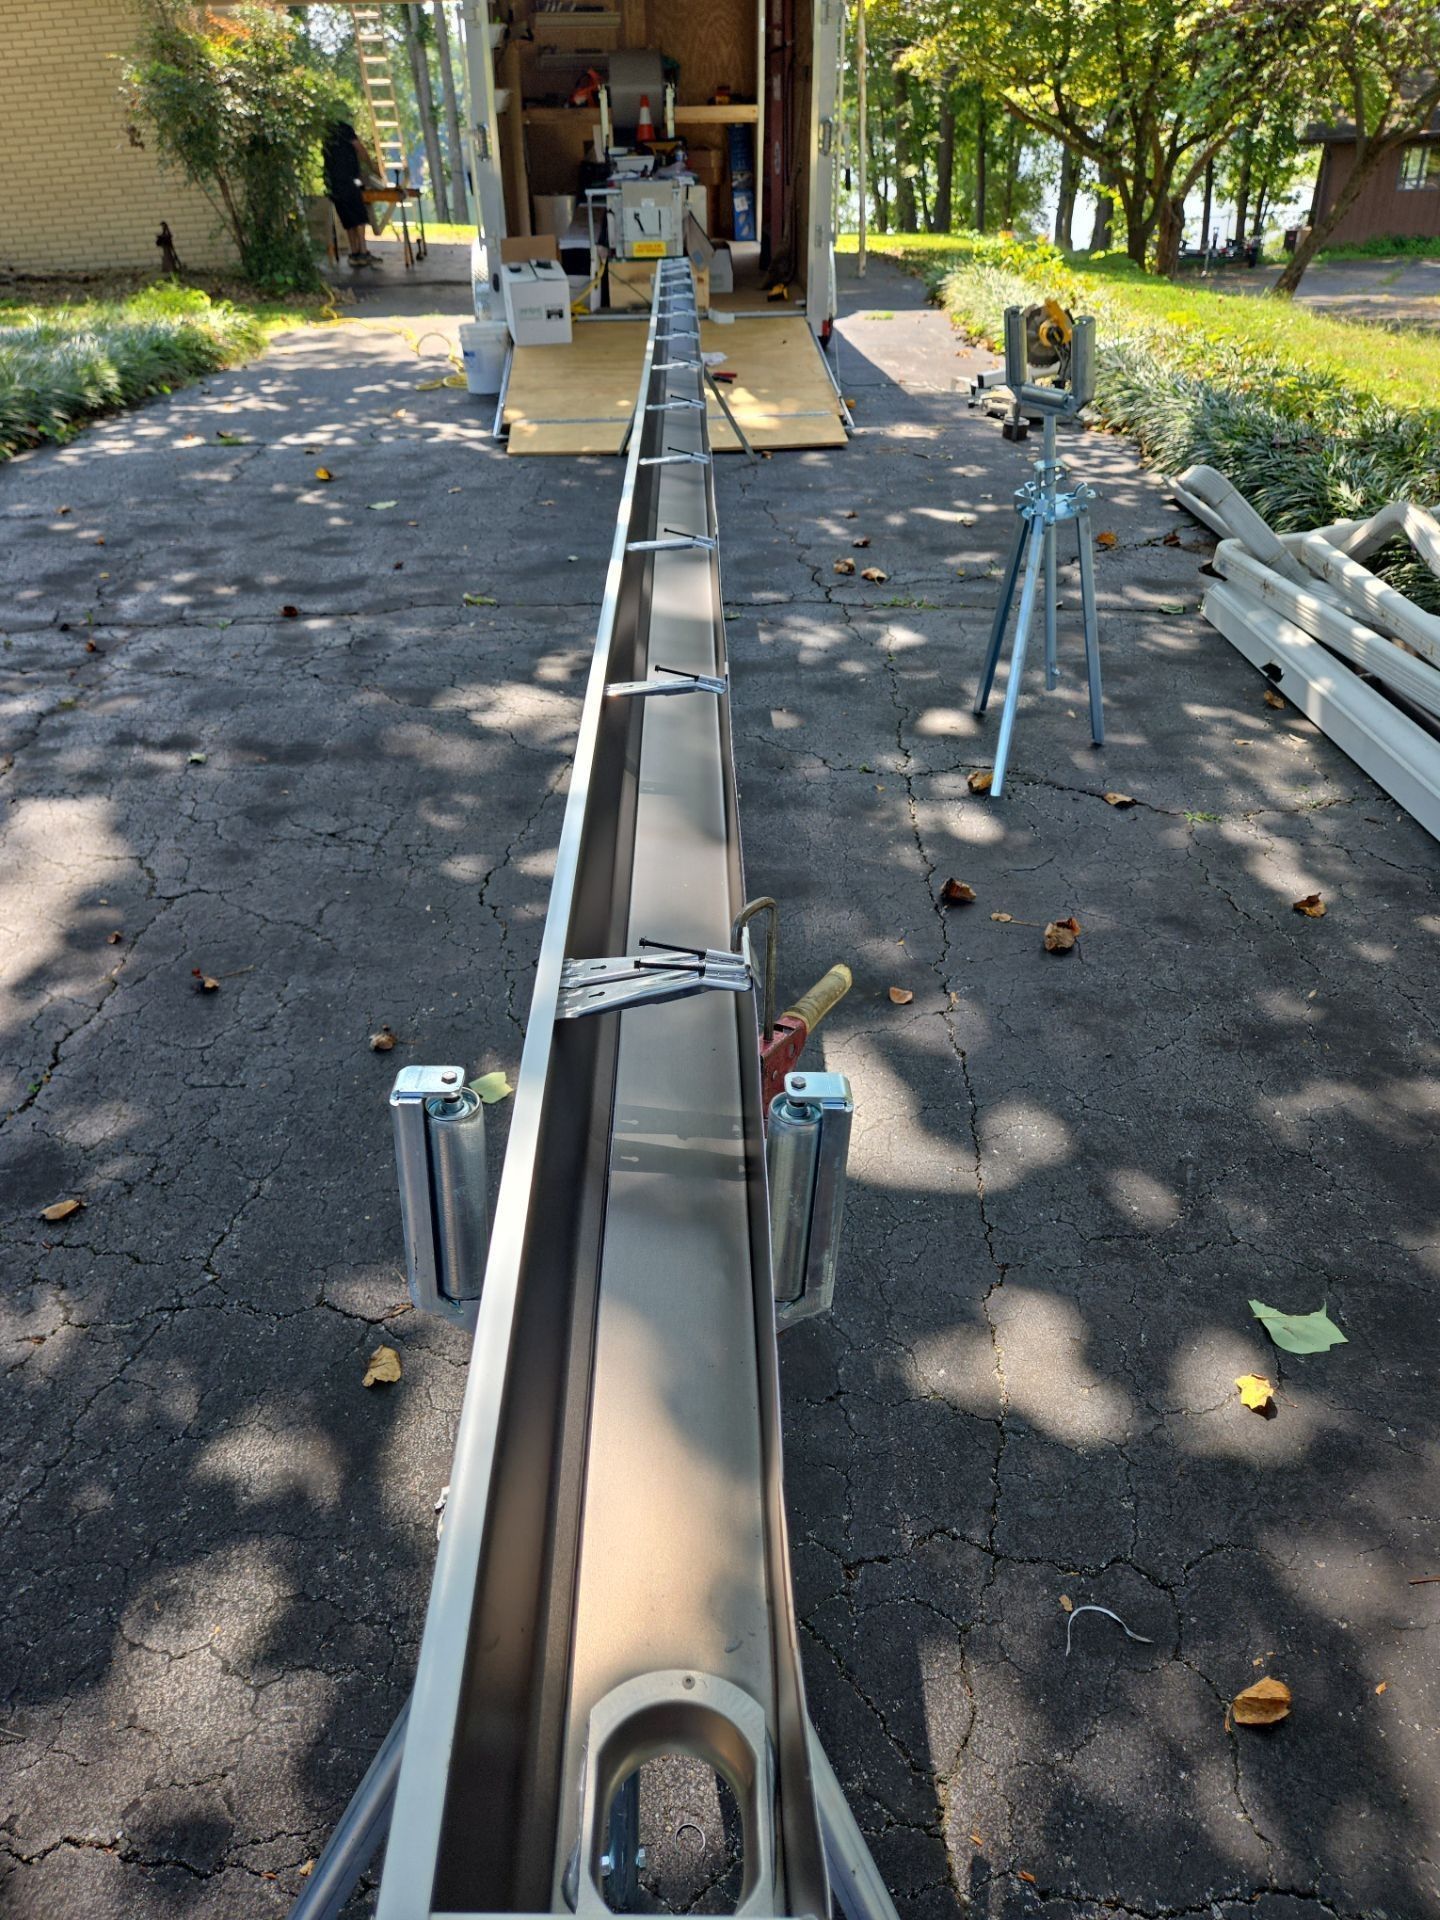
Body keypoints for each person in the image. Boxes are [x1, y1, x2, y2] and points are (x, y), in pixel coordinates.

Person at [323, 118, 383, 269]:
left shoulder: (326, 132)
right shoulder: (345, 129)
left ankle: (354, 252)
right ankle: (362, 252)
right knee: (360, 216)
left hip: (333, 183)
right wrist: (372, 166)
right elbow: (360, 149)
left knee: (348, 218)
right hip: (349, 180)